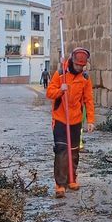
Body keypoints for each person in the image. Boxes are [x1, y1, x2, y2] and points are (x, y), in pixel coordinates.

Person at [46, 47, 95, 198]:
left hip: (76, 120)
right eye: (78, 65)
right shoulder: (60, 74)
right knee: (61, 151)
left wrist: (90, 120)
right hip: (60, 119)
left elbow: (88, 100)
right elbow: (49, 93)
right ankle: (60, 184)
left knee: (74, 151)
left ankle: (72, 179)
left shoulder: (85, 78)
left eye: (82, 65)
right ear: (72, 61)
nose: (80, 68)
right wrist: (61, 89)